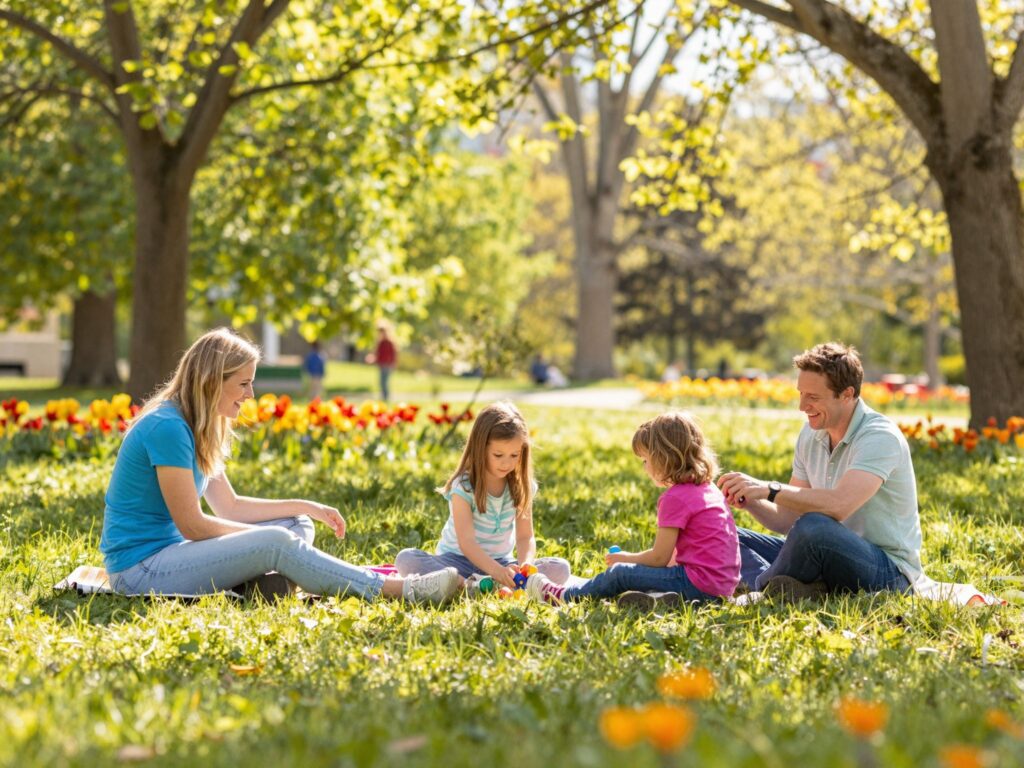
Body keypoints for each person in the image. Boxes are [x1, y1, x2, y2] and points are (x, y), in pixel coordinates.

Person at [99, 327, 460, 604]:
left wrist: (305, 506)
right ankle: (400, 589)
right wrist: (269, 543)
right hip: (140, 570)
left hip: (175, 556)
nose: (250, 395)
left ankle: (267, 581)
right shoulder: (167, 428)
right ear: (211, 382)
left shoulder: (198, 426)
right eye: (243, 384)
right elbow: (192, 525)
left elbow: (230, 506)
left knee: (295, 523)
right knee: (277, 540)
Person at [717, 342, 922, 600]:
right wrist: (750, 499)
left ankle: (759, 590)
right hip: (824, 554)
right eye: (801, 394)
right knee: (720, 536)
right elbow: (787, 519)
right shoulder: (811, 434)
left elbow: (839, 506)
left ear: (846, 394)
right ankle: (796, 588)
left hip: (888, 572)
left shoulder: (879, 436)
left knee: (813, 526)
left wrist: (768, 488)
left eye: (813, 397)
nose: (802, 406)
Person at [526, 411, 741, 608]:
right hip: (722, 588)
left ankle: (564, 595)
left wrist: (626, 559)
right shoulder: (707, 489)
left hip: (698, 585)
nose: (644, 467)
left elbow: (659, 558)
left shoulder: (675, 498)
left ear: (663, 457)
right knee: (644, 575)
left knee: (620, 574)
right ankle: (662, 597)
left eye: (646, 460)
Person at [394, 401, 571, 588]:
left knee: (560, 568)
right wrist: (497, 572)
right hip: (457, 561)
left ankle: (481, 586)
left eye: (514, 455)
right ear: (481, 448)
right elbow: (467, 542)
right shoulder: (463, 487)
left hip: (501, 562)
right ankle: (469, 585)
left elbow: (525, 537)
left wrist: (525, 565)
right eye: (498, 455)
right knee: (407, 559)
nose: (506, 463)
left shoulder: (522, 486)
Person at [365, 322, 397, 401]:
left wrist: (393, 363)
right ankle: (383, 396)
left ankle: (386, 397)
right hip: (382, 364)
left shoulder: (389, 342)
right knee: (381, 381)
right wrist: (373, 359)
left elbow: (393, 354)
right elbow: (377, 354)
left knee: (384, 381)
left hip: (388, 365)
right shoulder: (380, 342)